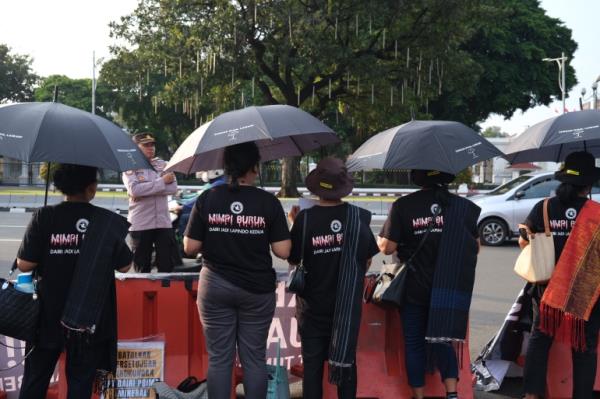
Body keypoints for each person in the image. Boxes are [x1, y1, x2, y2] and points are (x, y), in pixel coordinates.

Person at [183, 141, 291, 399]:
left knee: (220, 359)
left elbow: (190, 247)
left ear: (227, 167)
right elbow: (283, 251)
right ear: (254, 167)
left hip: (215, 286)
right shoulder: (268, 203)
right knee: (254, 358)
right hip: (257, 290)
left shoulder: (208, 198)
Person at [16, 164, 132, 398]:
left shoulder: (45, 216)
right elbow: (125, 265)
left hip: (47, 314)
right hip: (89, 317)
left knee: (35, 379)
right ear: (92, 188)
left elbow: (24, 264)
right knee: (80, 384)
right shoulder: (106, 221)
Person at [378, 170, 480, 399]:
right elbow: (476, 247)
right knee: (443, 340)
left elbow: (388, 248)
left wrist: (380, 237)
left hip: (414, 286)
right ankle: (452, 394)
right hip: (449, 289)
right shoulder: (463, 207)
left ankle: (419, 396)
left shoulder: (404, 206)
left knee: (414, 343)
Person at [288, 157, 379, 399]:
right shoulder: (358, 217)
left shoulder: (304, 221)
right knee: (346, 365)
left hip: (312, 309)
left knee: (313, 369)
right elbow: (366, 261)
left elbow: (294, 262)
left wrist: (294, 224)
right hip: (346, 310)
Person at [521, 152, 600, 399]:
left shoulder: (543, 207)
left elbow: (525, 242)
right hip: (584, 291)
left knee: (540, 340)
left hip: (547, 288)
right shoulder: (596, 214)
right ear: (588, 185)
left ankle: (532, 395)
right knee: (584, 346)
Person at [122, 132, 179, 272]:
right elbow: (135, 190)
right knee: (142, 268)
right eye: (146, 145)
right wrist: (162, 182)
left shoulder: (163, 164)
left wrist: (146, 190)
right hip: (141, 223)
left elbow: (173, 188)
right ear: (135, 147)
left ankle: (167, 294)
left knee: (167, 266)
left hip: (163, 222)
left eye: (152, 144)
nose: (151, 148)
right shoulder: (130, 167)